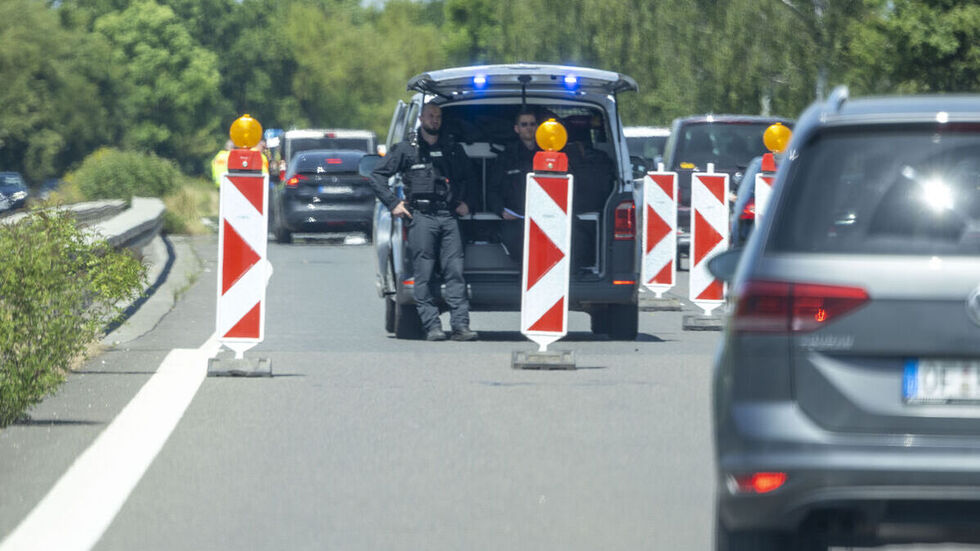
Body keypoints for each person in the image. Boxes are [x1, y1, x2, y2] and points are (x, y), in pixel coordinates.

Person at [369, 102, 478, 342]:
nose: (434, 120)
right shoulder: (407, 149)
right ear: (421, 118)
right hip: (421, 217)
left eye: (438, 116)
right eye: (430, 116)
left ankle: (460, 327)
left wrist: (468, 203)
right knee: (424, 273)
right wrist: (393, 203)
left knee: (455, 272)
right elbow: (376, 176)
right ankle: (432, 327)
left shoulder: (452, 149)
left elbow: (471, 178)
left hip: (449, 216)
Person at [487, 109, 539, 261]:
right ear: (517, 129)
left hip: (542, 216)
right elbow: (492, 188)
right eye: (524, 124)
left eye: (532, 124)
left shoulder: (549, 154)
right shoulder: (507, 156)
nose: (529, 128)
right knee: (518, 247)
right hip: (514, 217)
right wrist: (501, 211)